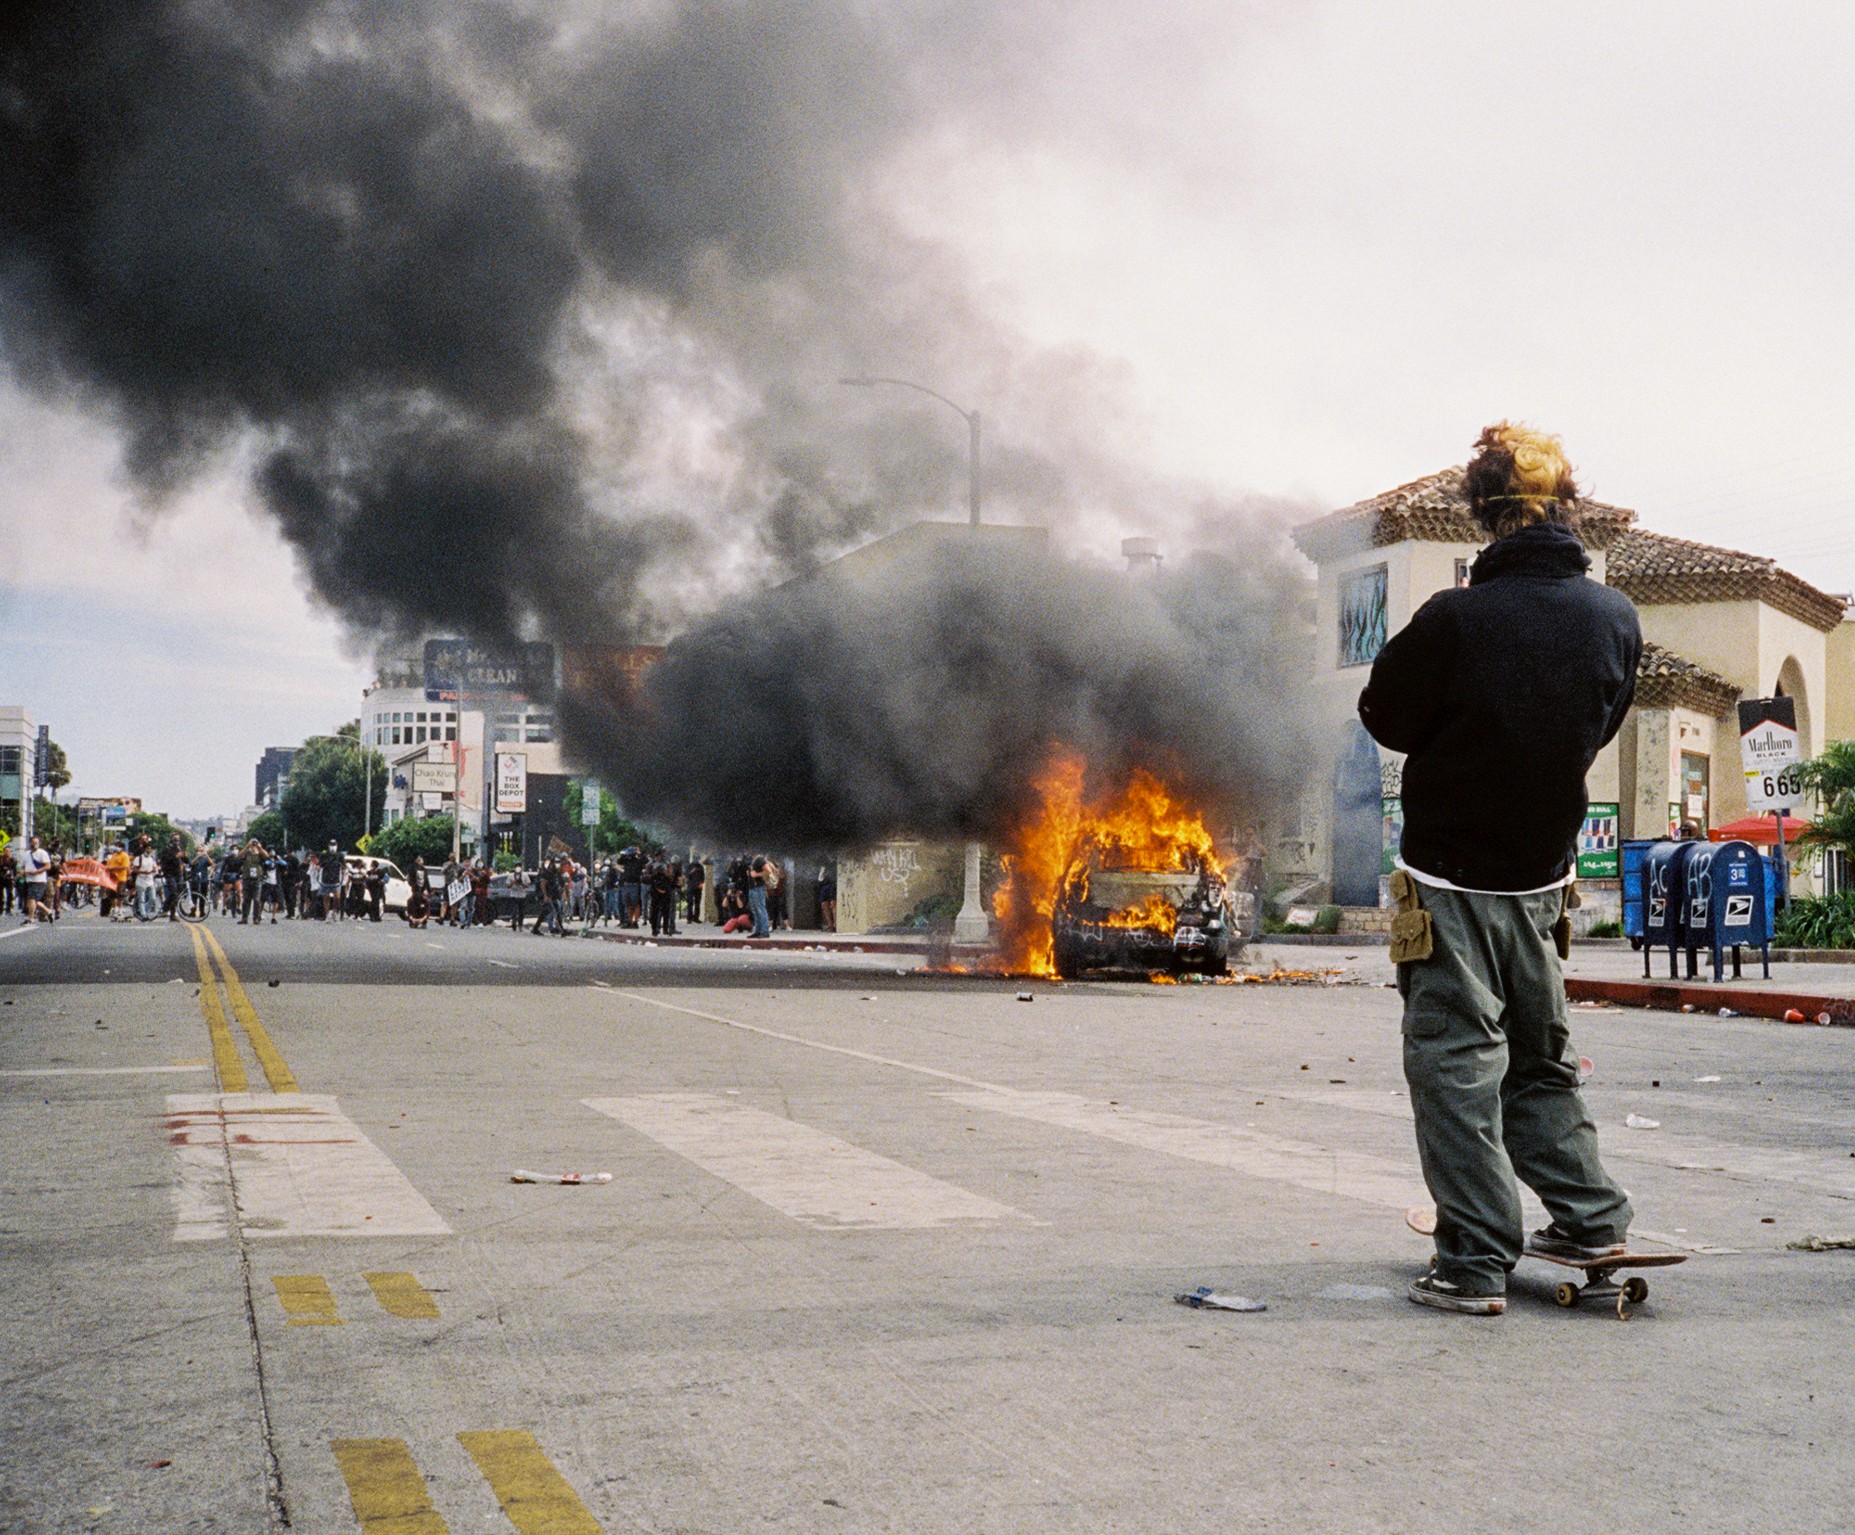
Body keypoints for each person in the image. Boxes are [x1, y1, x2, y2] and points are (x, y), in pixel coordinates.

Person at [1358, 421, 1639, 1317]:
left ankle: (1473, 1258)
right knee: (1539, 1053)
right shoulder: (1613, 616)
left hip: (1447, 872)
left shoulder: (1455, 617)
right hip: (1542, 872)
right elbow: (1599, 721)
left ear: (1482, 512)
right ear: (1566, 507)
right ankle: (1590, 1218)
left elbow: (1386, 717)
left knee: (1453, 1058)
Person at [17, 835, 51, 924]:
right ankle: (48, 911)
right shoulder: (26, 854)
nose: (35, 845)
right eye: (33, 843)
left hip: (39, 880)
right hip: (29, 880)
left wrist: (36, 872)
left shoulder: (42, 853)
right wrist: (21, 872)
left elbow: (48, 866)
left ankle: (30, 919)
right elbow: (23, 867)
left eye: (36, 843)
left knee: (32, 899)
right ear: (30, 843)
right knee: (32, 900)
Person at [746, 854, 771, 938]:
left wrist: (757, 874)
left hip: (758, 888)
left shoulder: (760, 859)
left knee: (760, 909)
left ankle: (764, 931)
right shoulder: (751, 860)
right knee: (755, 910)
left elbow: (769, 871)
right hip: (752, 887)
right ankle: (758, 930)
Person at [817, 857, 838, 932]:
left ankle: (836, 924)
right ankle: (830, 925)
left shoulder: (834, 861)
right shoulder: (823, 861)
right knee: (824, 904)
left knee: (833, 903)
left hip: (833, 883)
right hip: (824, 885)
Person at [683, 858, 706, 925]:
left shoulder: (700, 866)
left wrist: (701, 883)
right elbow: (686, 876)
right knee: (690, 902)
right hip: (691, 887)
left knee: (697, 902)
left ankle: (696, 918)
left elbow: (703, 877)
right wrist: (692, 871)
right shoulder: (689, 866)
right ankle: (689, 918)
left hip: (698, 887)